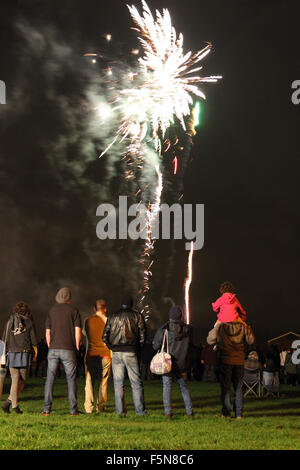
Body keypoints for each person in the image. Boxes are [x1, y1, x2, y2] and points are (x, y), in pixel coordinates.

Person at [102, 294, 146, 417]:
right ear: (131, 304)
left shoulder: (113, 316)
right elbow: (143, 336)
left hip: (116, 353)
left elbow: (104, 336)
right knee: (136, 383)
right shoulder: (137, 316)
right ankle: (140, 411)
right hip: (131, 352)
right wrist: (137, 349)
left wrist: (113, 347)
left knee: (118, 383)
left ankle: (120, 411)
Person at [41, 287, 81, 416]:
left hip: (53, 349)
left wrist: (50, 345)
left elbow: (47, 332)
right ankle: (73, 410)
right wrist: (76, 346)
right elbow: (77, 330)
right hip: (69, 349)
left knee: (50, 379)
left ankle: (46, 409)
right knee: (71, 379)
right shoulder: (74, 310)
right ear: (69, 297)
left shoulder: (51, 311)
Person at [207, 320, 255, 419]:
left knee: (226, 388)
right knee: (238, 388)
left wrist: (216, 326)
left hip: (226, 360)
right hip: (239, 360)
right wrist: (248, 328)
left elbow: (209, 340)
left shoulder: (221, 325)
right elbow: (251, 341)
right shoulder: (242, 325)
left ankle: (226, 413)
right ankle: (239, 414)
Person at [153, 305, 193, 419]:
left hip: (167, 362)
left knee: (167, 387)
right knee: (184, 388)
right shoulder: (188, 330)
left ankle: (168, 412)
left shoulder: (164, 329)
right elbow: (191, 346)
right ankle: (189, 412)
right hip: (182, 363)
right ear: (181, 316)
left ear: (170, 316)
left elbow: (156, 345)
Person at [2, 302, 37, 414]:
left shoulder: (9, 322)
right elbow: (34, 341)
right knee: (21, 381)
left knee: (15, 380)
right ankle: (15, 406)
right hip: (24, 353)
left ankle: (8, 402)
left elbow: (4, 340)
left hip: (12, 354)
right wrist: (35, 353)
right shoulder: (29, 322)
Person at [83, 299, 111, 413]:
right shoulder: (109, 321)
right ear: (105, 309)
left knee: (89, 382)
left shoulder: (88, 321)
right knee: (103, 382)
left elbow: (85, 334)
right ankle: (100, 407)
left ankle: (88, 407)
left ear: (94, 309)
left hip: (91, 354)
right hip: (105, 355)